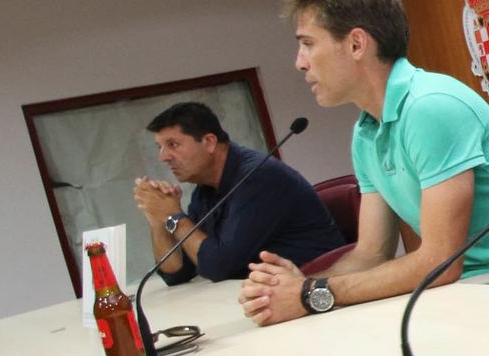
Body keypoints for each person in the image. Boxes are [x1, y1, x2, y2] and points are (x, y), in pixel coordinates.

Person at [239, 0, 489, 325]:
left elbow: (440, 261)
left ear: (356, 44)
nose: (299, 62)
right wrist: (303, 287)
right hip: (468, 290)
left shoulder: (430, 106)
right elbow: (371, 252)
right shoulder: (365, 132)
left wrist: (310, 295)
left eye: (308, 43)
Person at [135, 102, 344, 285]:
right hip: (269, 291)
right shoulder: (205, 188)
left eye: (173, 145)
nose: (163, 157)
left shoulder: (258, 176)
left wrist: (175, 217)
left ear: (209, 142)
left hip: (316, 288)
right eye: (160, 147)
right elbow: (179, 272)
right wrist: (158, 219)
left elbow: (217, 266)